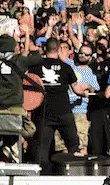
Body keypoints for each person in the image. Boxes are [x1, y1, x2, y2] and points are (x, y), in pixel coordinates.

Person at [30, 40, 88, 174]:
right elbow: (76, 89)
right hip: (63, 112)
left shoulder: (36, 67)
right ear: (58, 50)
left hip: (44, 112)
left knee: (43, 148)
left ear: (45, 48)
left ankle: (42, 177)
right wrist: (86, 92)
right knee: (73, 143)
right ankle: (72, 172)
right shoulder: (66, 67)